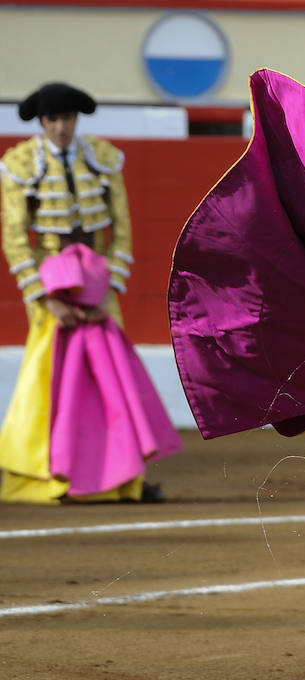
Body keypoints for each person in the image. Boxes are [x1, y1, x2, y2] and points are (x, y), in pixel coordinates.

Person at [0, 82, 179, 504]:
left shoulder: (101, 159)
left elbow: (122, 230)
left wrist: (108, 289)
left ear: (76, 120)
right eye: (53, 120)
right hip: (50, 283)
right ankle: (48, 474)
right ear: (41, 122)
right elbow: (14, 237)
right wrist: (46, 297)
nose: (61, 127)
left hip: (97, 283)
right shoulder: (20, 163)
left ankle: (126, 478)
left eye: (67, 119)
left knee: (110, 376)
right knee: (51, 378)